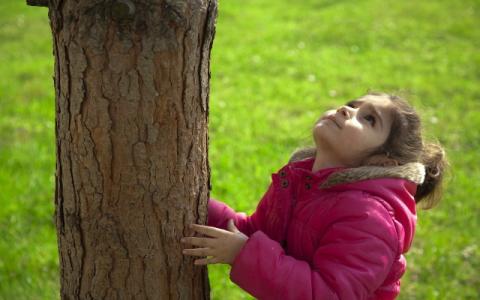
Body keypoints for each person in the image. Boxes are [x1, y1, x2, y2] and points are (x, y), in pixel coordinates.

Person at [180, 92, 447, 299]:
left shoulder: (370, 219)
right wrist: (192, 205)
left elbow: (329, 294)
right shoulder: (301, 182)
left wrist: (242, 254)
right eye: (352, 104)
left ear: (384, 163)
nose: (347, 110)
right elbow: (257, 232)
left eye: (369, 118)